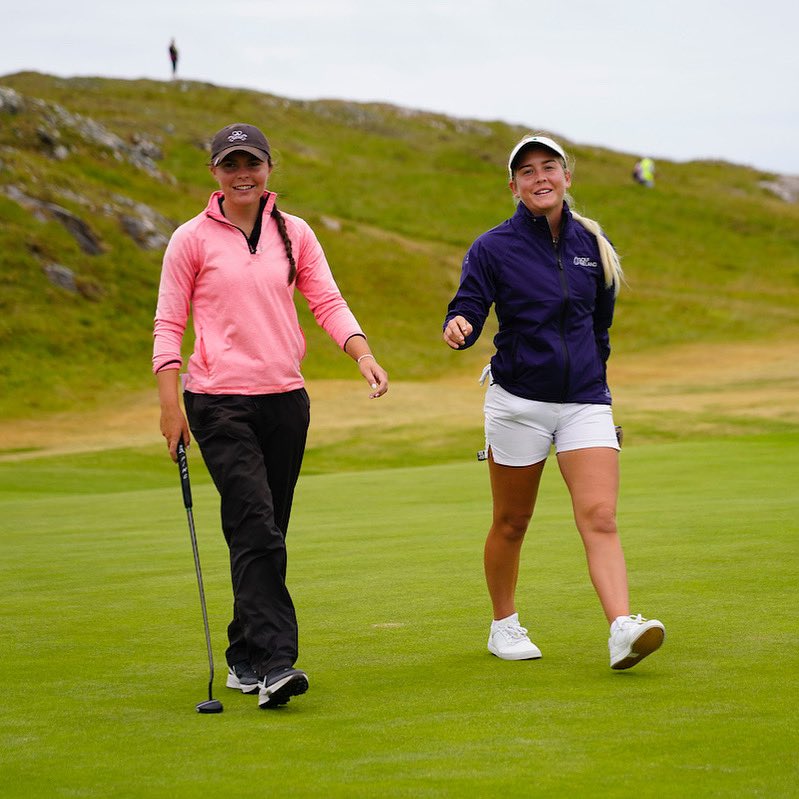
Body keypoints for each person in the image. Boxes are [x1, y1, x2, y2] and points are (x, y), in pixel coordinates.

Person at [153, 122, 389, 709]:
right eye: (231, 164)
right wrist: (169, 406)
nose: (243, 174)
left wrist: (362, 354)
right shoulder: (190, 239)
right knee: (256, 525)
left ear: (268, 169)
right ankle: (276, 663)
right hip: (217, 402)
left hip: (285, 399)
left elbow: (326, 300)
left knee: (263, 530)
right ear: (214, 172)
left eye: (252, 163)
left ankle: (243, 654)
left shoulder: (295, 232)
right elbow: (168, 324)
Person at [443, 134, 664, 670]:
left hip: (585, 400)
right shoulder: (493, 247)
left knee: (600, 516)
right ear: (513, 186)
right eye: (527, 171)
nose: (539, 177)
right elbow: (469, 302)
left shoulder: (593, 243)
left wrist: (595, 380)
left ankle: (621, 627)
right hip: (518, 401)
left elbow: (600, 326)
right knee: (512, 521)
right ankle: (504, 624)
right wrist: (461, 324)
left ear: (567, 176)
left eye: (549, 167)